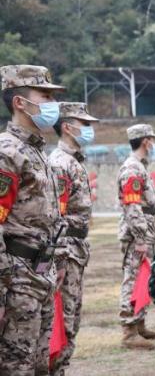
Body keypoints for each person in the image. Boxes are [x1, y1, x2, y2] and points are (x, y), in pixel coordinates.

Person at [0, 65, 65, 375]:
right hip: (17, 280)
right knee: (16, 366)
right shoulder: (7, 152)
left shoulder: (38, 151)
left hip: (41, 274)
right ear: (20, 102)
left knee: (40, 365)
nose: (52, 103)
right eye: (45, 95)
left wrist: (57, 262)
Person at [48, 102, 99, 375]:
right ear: (67, 127)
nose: (90, 130)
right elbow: (55, 216)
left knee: (71, 319)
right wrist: (58, 259)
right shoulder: (60, 164)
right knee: (63, 322)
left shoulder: (73, 162)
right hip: (65, 251)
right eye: (85, 124)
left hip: (75, 249)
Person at [117, 124, 155, 350]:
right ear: (145, 141)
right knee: (133, 278)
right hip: (137, 234)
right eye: (151, 139)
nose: (153, 143)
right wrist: (141, 237)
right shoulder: (132, 170)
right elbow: (132, 207)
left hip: (145, 230)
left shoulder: (140, 167)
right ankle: (129, 331)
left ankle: (140, 324)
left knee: (143, 277)